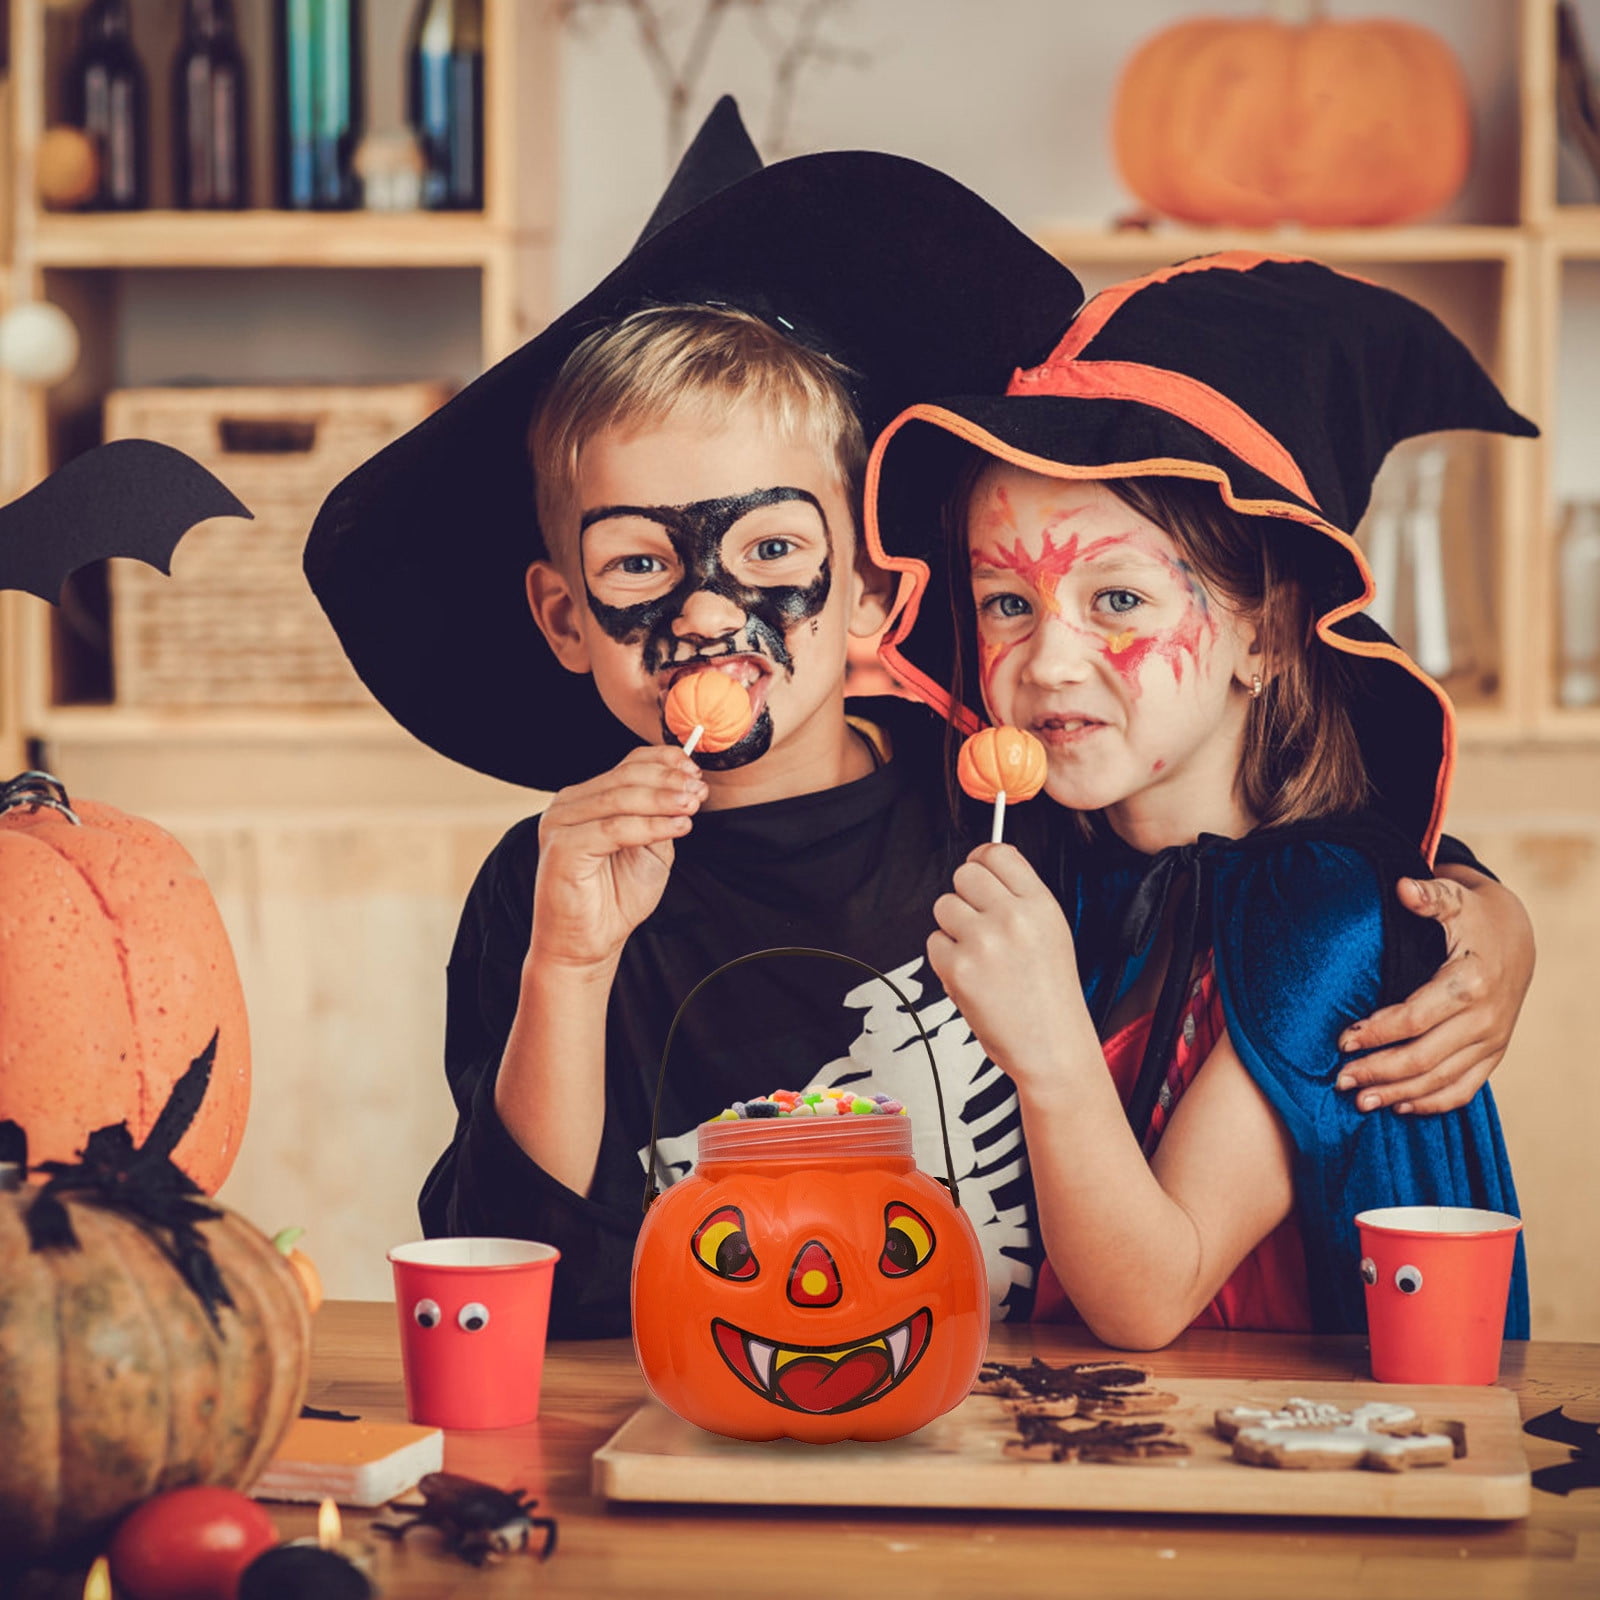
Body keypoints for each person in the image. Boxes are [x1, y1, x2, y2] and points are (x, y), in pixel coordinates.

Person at [307, 108, 1534, 1338]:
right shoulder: (547, 888)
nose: (706, 615)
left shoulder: (1012, 813)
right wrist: (565, 970)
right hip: (670, 1433)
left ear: (875, 596)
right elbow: (507, 1300)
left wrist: (1477, 914)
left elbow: (1269, 876)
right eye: (637, 566)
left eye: (770, 549)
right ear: (564, 616)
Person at [864, 252, 1534, 1344]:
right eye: (1005, 602)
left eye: (1116, 598)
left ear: (1264, 631)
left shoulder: (1328, 914)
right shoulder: (1043, 861)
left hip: (1286, 1473)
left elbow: (1148, 1295)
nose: (1047, 662)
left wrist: (1045, 1044)